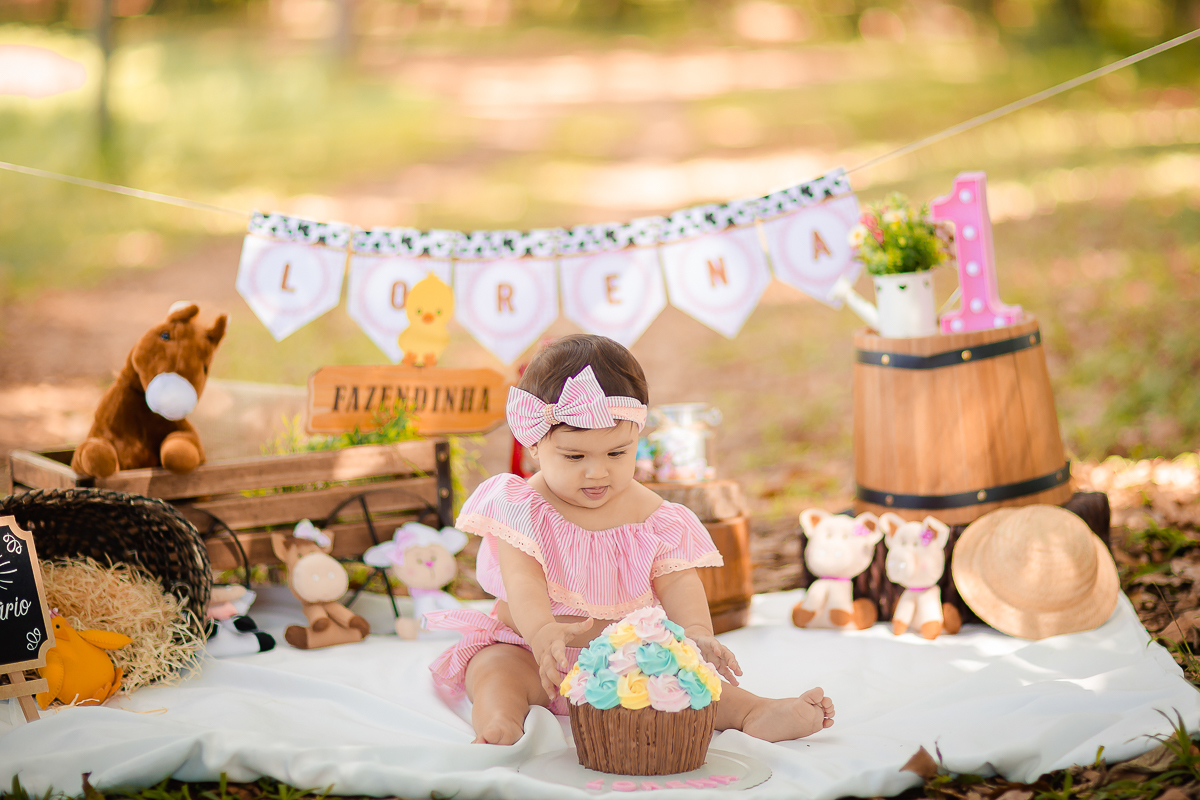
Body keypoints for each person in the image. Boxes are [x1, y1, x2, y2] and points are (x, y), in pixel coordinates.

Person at [425, 334, 835, 745]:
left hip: (629, 664)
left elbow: (678, 581)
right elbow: (522, 580)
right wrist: (541, 631)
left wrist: (696, 631)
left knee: (686, 680)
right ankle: (500, 721)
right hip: (532, 652)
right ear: (535, 444)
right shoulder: (523, 506)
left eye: (617, 454)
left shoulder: (653, 516)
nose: (597, 472)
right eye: (575, 457)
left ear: (637, 437)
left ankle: (753, 711)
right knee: (494, 668)